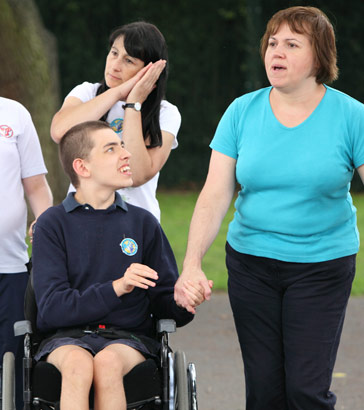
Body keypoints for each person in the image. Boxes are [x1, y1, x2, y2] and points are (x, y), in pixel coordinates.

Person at [174, 6, 364, 410]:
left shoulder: (352, 116)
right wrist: (192, 263)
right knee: (264, 393)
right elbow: (214, 193)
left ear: (319, 57)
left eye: (292, 44)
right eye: (272, 43)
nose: (276, 51)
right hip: (251, 265)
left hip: (322, 265)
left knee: (305, 391)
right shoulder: (242, 111)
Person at [32, 121, 202, 410]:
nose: (126, 154)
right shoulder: (53, 224)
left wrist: (180, 301)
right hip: (66, 339)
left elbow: (163, 301)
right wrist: (117, 288)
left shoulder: (143, 222)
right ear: (82, 168)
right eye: (112, 149)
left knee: (107, 362)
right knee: (78, 364)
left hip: (128, 338)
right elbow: (52, 309)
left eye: (122, 146)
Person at [50, 21, 181, 221]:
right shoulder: (87, 93)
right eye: (114, 53)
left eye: (129, 61)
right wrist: (117, 92)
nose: (115, 66)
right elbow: (59, 131)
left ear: (149, 70)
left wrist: (133, 104)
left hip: (136, 226)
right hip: (80, 220)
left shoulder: (166, 113)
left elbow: (136, 175)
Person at [0, 97, 53, 410]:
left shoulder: (15, 113)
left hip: (11, 266)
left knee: (13, 367)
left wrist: (47, 227)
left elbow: (35, 186)